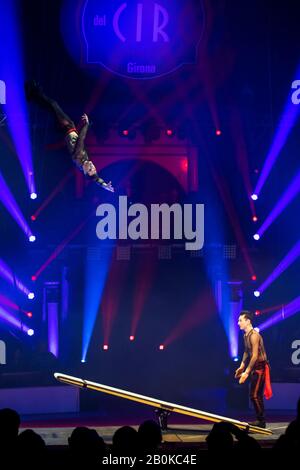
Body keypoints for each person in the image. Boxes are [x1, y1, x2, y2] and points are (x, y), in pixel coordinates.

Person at [25, 80, 114, 192]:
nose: (92, 166)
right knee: (51, 108)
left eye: (90, 169)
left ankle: (34, 92)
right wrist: (104, 184)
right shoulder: (84, 162)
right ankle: (33, 95)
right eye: (94, 168)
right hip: (69, 129)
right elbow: (95, 178)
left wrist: (86, 125)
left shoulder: (79, 157)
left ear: (85, 171)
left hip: (67, 128)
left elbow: (81, 139)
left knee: (53, 105)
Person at [235, 310, 272, 428]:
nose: (238, 323)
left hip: (260, 367)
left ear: (248, 321)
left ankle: (261, 421)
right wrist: (241, 365)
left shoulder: (254, 335)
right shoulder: (246, 335)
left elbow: (255, 356)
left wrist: (246, 372)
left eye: (240, 320)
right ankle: (261, 420)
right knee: (257, 395)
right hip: (255, 367)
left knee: (254, 395)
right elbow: (247, 351)